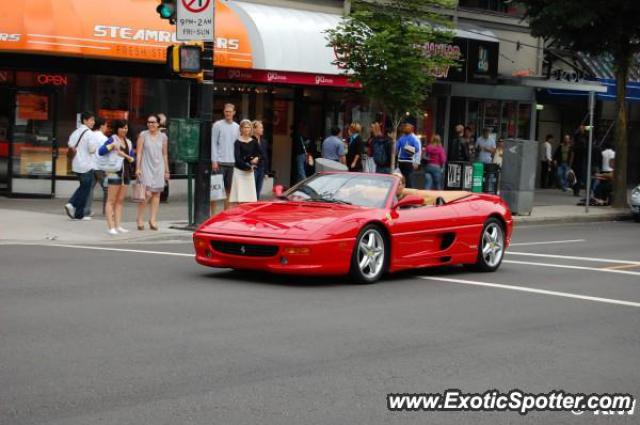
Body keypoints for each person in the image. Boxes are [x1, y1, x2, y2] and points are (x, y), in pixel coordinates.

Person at [97, 119, 135, 235]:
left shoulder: (128, 142)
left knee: (120, 201)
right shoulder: (112, 139)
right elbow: (101, 151)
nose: (124, 130)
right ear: (117, 129)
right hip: (114, 172)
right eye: (122, 127)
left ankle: (118, 226)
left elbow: (133, 158)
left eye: (126, 127)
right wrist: (112, 145)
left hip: (126, 173)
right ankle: (111, 226)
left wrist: (126, 156)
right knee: (111, 200)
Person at [135, 114, 169, 231]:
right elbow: (139, 153)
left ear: (158, 124)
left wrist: (167, 170)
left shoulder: (163, 137)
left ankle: (153, 220)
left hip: (159, 167)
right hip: (145, 167)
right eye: (149, 122)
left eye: (153, 122)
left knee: (156, 194)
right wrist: (137, 167)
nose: (151, 124)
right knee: (146, 194)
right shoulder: (143, 135)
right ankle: (140, 219)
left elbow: (165, 154)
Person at [64, 111, 95, 220]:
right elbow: (92, 150)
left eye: (93, 120)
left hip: (76, 164)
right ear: (84, 120)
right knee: (85, 189)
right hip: (86, 165)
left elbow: (70, 145)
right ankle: (72, 203)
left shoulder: (75, 132)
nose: (93, 122)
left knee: (84, 188)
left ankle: (79, 215)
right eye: (91, 120)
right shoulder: (90, 134)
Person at [211, 103, 240, 214]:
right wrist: (214, 161)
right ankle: (212, 215)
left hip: (232, 163)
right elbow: (213, 143)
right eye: (226, 111)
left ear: (234, 112)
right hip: (219, 162)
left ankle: (225, 214)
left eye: (230, 111)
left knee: (229, 191)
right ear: (224, 112)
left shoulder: (237, 127)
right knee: (215, 190)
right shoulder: (217, 125)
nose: (228, 113)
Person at [229, 119, 262, 205]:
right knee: (240, 198)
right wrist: (248, 167)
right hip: (239, 172)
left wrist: (257, 158)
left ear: (251, 129)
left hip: (250, 172)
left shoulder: (254, 142)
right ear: (241, 129)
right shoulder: (237, 142)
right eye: (245, 127)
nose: (247, 129)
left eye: (248, 127)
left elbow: (260, 154)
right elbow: (237, 158)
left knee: (249, 198)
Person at [84, 117, 109, 218]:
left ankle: (86, 210)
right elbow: (107, 154)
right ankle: (107, 210)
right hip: (101, 167)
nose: (107, 128)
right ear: (102, 126)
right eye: (106, 125)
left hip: (90, 166)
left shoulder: (90, 136)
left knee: (89, 189)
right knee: (107, 189)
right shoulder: (104, 139)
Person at [395, 123, 421, 188]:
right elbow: (417, 149)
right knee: (409, 178)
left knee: (402, 176)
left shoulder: (401, 138)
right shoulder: (413, 139)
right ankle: (408, 190)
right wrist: (409, 149)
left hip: (401, 161)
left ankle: (402, 189)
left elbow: (396, 148)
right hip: (409, 161)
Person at [252, 120, 269, 200]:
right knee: (252, 191)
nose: (262, 129)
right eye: (261, 127)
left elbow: (265, 156)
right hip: (253, 169)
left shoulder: (264, 142)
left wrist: (266, 171)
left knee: (258, 191)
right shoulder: (250, 140)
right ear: (255, 129)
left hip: (261, 169)